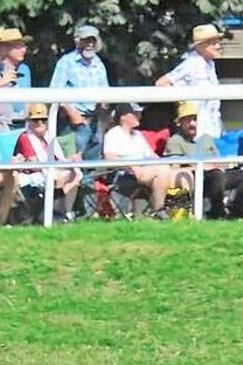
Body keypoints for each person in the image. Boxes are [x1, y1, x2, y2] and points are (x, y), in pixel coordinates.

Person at [164, 101, 236, 219]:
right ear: (180, 123)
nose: (192, 123)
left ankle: (239, 211)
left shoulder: (207, 138)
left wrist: (222, 165)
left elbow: (218, 160)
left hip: (215, 173)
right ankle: (216, 213)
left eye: (194, 119)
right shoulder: (175, 140)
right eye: (187, 120)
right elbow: (173, 170)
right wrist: (202, 167)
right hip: (193, 177)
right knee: (216, 175)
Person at [102, 103, 174, 220]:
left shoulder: (137, 135)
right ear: (123, 117)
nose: (139, 116)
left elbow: (151, 155)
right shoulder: (113, 134)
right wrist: (131, 166)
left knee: (171, 173)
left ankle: (178, 211)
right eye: (135, 113)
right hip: (125, 174)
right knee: (163, 171)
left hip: (146, 170)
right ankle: (159, 210)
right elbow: (109, 157)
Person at [49, 25, 110, 161]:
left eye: (92, 41)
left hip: (94, 121)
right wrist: (72, 114)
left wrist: (103, 112)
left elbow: (105, 92)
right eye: (86, 41)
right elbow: (55, 92)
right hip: (71, 123)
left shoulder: (98, 64)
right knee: (71, 164)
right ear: (77, 41)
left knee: (91, 163)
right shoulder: (66, 62)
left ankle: (88, 182)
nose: (89, 45)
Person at [13, 103, 82, 221]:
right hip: (29, 173)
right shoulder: (25, 137)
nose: (40, 122)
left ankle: (65, 211)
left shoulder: (48, 137)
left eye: (43, 119)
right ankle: (54, 214)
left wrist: (69, 161)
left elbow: (58, 158)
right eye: (35, 120)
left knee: (76, 173)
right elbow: (34, 162)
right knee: (58, 176)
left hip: (46, 169)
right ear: (29, 121)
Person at [156, 24, 224, 139]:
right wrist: (183, 103)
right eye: (214, 43)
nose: (218, 46)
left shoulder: (209, 63)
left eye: (218, 42)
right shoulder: (192, 63)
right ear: (201, 46)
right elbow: (162, 83)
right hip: (198, 126)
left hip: (211, 123)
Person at [3, 28, 31, 127]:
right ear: (5, 48)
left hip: (24, 124)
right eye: (18, 47)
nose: (23, 50)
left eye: (24, 46)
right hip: (3, 124)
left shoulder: (24, 69)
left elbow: (28, 98)